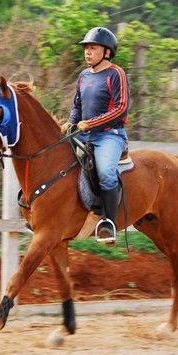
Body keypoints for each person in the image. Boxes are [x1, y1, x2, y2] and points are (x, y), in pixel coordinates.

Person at [60, 27, 130, 244]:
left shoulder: (116, 74)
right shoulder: (83, 76)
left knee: (107, 173)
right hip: (84, 134)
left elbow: (121, 108)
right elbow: (77, 105)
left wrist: (91, 123)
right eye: (86, 48)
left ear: (107, 52)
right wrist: (71, 121)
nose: (87, 52)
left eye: (92, 48)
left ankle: (108, 223)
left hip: (110, 135)